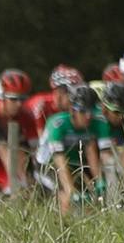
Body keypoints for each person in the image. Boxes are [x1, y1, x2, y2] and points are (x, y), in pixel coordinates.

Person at [35, 85, 113, 213]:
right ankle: (62, 228)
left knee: (90, 200)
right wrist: (71, 190)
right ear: (72, 110)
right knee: (66, 196)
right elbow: (59, 161)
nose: (88, 117)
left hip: (74, 163)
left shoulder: (95, 123)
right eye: (83, 112)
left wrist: (99, 180)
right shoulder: (57, 124)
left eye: (91, 112)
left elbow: (91, 152)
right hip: (48, 165)